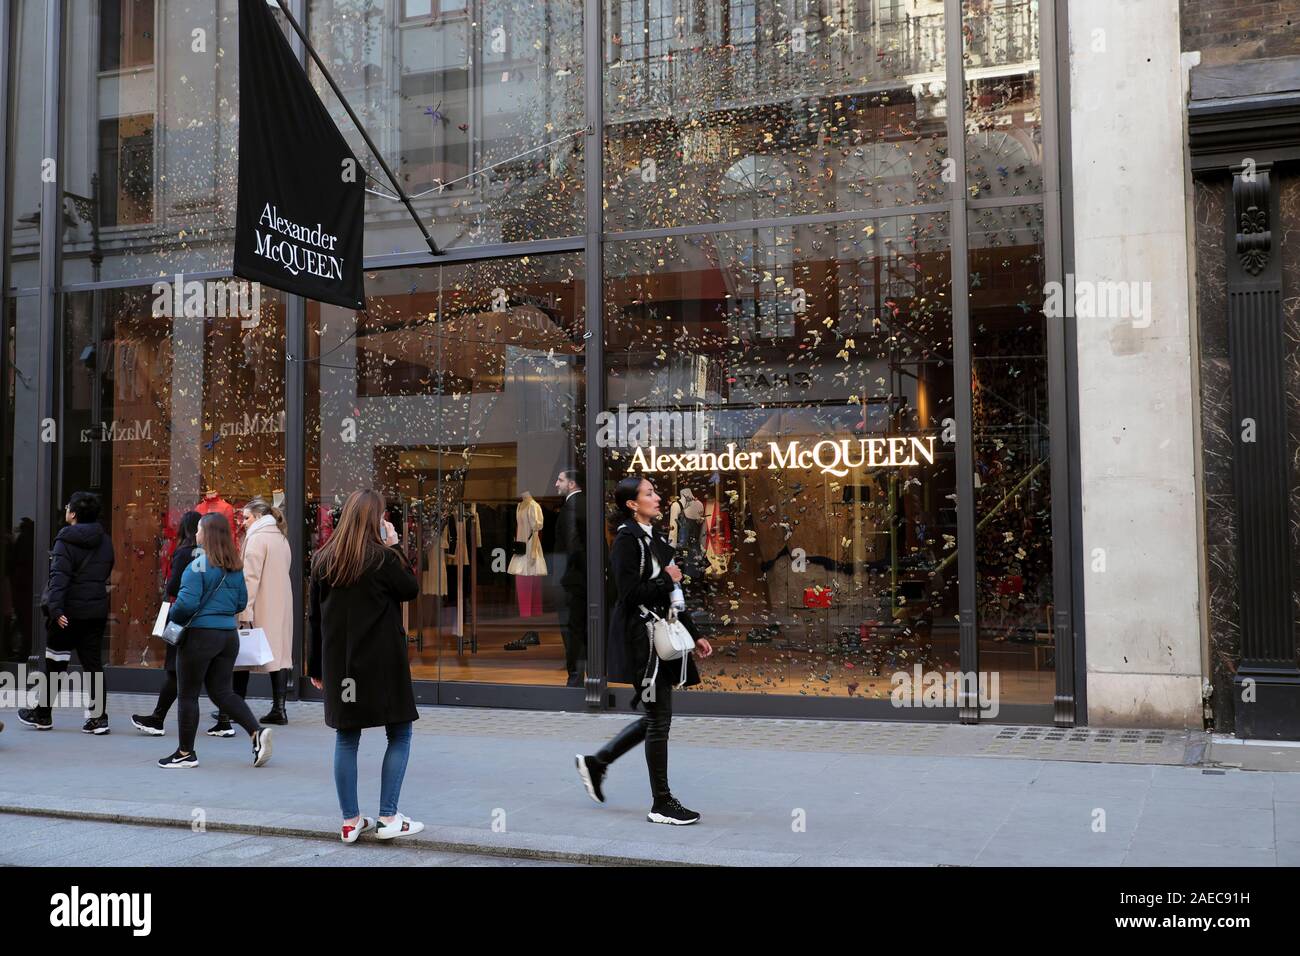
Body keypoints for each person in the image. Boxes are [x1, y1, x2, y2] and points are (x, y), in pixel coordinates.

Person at [575, 476, 713, 825]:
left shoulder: (656, 538)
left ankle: (598, 762)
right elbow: (628, 593)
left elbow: (671, 594)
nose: (657, 497)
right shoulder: (626, 540)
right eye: (649, 493)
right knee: (658, 718)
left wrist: (694, 634)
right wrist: (667, 577)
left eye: (654, 492)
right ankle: (661, 803)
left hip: (660, 638)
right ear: (632, 504)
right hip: (640, 641)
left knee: (656, 715)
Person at [308, 489, 424, 843]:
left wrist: (315, 667)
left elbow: (315, 618)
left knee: (346, 737)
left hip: (341, 666)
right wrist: (395, 546)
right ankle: (388, 817)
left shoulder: (323, 559)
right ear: (377, 520)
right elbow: (410, 589)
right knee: (399, 732)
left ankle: (350, 821)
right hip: (383, 663)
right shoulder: (382, 559)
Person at [157, 514, 272, 769]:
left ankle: (185, 753)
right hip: (228, 636)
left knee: (188, 694)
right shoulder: (235, 567)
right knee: (222, 692)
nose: (196, 534)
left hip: (199, 636)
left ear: (207, 534)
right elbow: (241, 603)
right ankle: (256, 732)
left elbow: (185, 604)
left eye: (199, 530)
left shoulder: (196, 566)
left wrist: (172, 616)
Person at [17, 492, 115, 734]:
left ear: (74, 514)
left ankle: (42, 715)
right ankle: (98, 718)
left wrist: (55, 609)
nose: (66, 509)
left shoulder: (65, 540)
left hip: (67, 613)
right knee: (93, 665)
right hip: (95, 611)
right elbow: (106, 571)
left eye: (69, 506)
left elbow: (58, 579)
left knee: (55, 664)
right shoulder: (105, 540)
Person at [209, 498, 294, 734]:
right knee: (279, 656)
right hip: (280, 603)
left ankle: (234, 709)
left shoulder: (257, 538)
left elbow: (250, 578)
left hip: (261, 603)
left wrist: (244, 610)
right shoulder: (280, 537)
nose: (242, 522)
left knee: (241, 657)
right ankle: (279, 709)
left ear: (257, 517)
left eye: (246, 517)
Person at [130, 511, 202, 735]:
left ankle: (158, 718)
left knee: (174, 669)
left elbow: (173, 586)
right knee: (205, 675)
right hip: (203, 618)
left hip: (181, 615)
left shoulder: (183, 552)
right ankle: (225, 721)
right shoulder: (209, 554)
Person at [554, 468, 586, 688]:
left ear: (572, 484)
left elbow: (572, 544)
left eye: (560, 480)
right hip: (584, 579)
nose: (556, 484)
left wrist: (565, 574)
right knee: (582, 628)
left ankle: (575, 677)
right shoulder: (588, 503)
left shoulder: (571, 506)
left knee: (572, 629)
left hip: (573, 580)